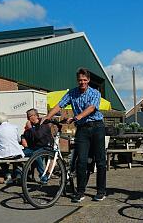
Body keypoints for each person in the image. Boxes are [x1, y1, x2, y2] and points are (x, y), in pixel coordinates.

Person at [43, 68, 106, 203]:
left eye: (84, 80)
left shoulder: (95, 93)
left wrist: (76, 117)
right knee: (81, 161)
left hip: (97, 127)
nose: (82, 82)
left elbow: (91, 108)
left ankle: (101, 191)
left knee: (100, 160)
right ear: (77, 80)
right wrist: (47, 117)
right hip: (82, 129)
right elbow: (59, 105)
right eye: (80, 80)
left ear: (88, 80)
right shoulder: (72, 93)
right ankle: (80, 191)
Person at [0, 112, 24, 184]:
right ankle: (18, 175)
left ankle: (8, 175)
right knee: (16, 161)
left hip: (4, 155)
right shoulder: (14, 127)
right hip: (16, 153)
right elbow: (19, 140)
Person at [20, 108, 53, 183]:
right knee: (18, 154)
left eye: (29, 116)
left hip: (45, 147)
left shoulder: (43, 124)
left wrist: (30, 128)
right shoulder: (30, 125)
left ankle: (43, 177)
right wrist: (23, 138)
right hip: (33, 148)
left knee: (36, 155)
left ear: (35, 116)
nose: (28, 118)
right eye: (27, 117)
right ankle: (19, 175)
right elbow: (26, 135)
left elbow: (39, 136)